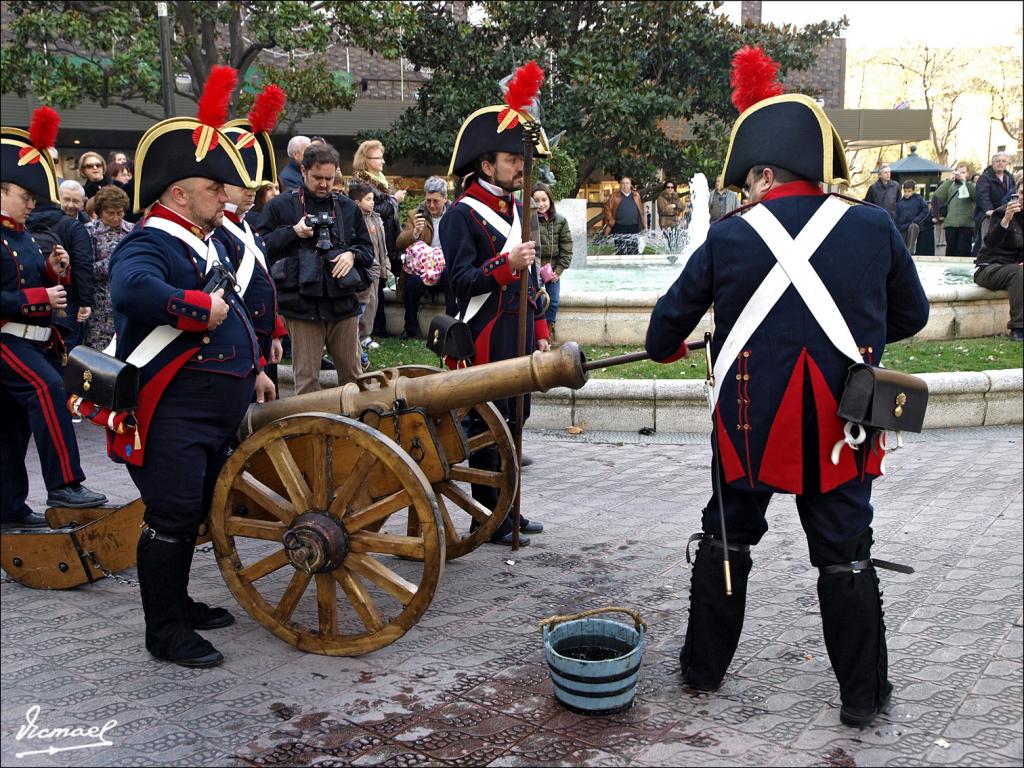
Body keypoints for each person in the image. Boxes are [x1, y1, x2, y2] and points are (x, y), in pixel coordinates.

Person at [646, 50, 930, 729]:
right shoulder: (872, 224)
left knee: (728, 538)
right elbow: (913, 315)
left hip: (749, 421)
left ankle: (703, 669)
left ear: (767, 173)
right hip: (844, 421)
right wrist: (857, 337)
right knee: (845, 554)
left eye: (749, 180)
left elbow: (661, 335)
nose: (745, 193)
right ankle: (862, 697)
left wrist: (686, 342)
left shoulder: (728, 236)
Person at [108, 66, 275, 668]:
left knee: (195, 511)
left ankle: (178, 604)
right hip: (171, 412)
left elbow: (244, 312)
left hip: (211, 412)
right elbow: (131, 291)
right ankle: (164, 631)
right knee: (173, 517)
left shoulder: (208, 241)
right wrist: (198, 309)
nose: (225, 195)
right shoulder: (149, 241)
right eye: (213, 186)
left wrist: (255, 365)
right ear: (178, 193)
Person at [441, 72, 552, 546]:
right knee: (491, 427)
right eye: (512, 160)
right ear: (487, 165)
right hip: (484, 333)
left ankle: (509, 509)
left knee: (516, 419)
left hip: (519, 332)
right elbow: (460, 283)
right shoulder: (460, 214)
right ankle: (487, 518)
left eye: (522, 160)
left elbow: (532, 280)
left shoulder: (516, 210)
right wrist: (506, 266)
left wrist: (541, 328)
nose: (520, 167)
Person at [2, 107, 108, 530]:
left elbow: (30, 277)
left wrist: (54, 270)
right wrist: (39, 295)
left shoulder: (23, 234)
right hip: (6, 338)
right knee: (47, 389)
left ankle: (8, 508)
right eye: (24, 196)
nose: (31, 203)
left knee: (11, 427)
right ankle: (64, 484)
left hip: (31, 338)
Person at [259, 141, 374, 393]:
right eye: (317, 178)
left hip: (342, 303)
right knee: (307, 382)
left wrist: (351, 255)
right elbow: (261, 247)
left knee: (354, 378)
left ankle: (355, 419)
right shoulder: (280, 206)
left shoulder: (347, 207)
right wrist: (293, 232)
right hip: (301, 306)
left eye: (329, 179)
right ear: (303, 171)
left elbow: (368, 250)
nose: (324, 184)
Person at [27, 173, 95, 355]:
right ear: (58, 199)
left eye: (76, 201)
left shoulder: (27, 220)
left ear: (83, 203)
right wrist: (85, 301)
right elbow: (83, 264)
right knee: (66, 353)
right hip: (66, 301)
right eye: (67, 199)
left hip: (34, 298)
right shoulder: (75, 228)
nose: (71, 205)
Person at [351, 139, 406, 339]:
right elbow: (377, 210)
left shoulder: (380, 179)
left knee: (382, 283)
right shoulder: (360, 182)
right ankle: (373, 330)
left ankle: (377, 328)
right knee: (374, 285)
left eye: (382, 157)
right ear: (366, 160)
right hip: (372, 236)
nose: (382, 161)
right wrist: (394, 200)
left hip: (387, 237)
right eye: (378, 158)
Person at [394, 175, 452, 339]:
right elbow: (399, 243)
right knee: (412, 283)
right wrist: (415, 232)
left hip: (445, 267)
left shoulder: (454, 214)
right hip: (423, 268)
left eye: (436, 201)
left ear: (445, 198)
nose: (431, 205)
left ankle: (450, 326)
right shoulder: (416, 214)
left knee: (451, 276)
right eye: (428, 201)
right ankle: (410, 328)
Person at [84, 184, 132, 350]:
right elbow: (86, 268)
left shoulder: (132, 230)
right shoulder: (90, 232)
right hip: (101, 305)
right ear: (100, 211)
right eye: (110, 213)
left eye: (120, 213)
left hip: (127, 302)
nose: (116, 218)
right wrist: (115, 263)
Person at [974, 177, 1023, 342]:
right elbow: (990, 243)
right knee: (1018, 272)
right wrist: (1006, 219)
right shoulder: (1002, 212)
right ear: (1016, 193)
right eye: (1022, 193)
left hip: (1014, 269)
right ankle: (1018, 328)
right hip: (989, 268)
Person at [347, 181, 387, 367]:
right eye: (368, 199)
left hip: (376, 268)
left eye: (372, 199)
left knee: (373, 303)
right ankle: (359, 337)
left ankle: (365, 335)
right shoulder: (354, 221)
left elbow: (381, 245)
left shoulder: (376, 218)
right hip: (364, 270)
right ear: (357, 202)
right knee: (363, 304)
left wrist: (385, 265)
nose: (372, 202)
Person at [533, 182, 573, 338]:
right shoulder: (528, 220)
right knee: (537, 301)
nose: (541, 204)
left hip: (553, 270)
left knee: (554, 301)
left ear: (550, 200)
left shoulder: (560, 221)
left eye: (544, 200)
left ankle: (547, 332)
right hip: (534, 269)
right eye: (536, 200)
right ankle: (536, 333)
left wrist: (559, 270)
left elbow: (567, 246)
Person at [973, 152, 1013, 257]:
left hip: (1005, 213)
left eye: (1003, 161)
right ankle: (984, 261)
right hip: (988, 215)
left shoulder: (1009, 178)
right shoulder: (984, 177)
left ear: (1007, 163)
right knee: (987, 241)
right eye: (998, 161)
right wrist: (989, 209)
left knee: (1003, 241)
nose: (1000, 163)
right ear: (993, 163)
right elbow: (982, 195)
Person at [932, 164, 976, 257]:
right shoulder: (950, 185)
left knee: (964, 250)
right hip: (951, 223)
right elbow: (938, 195)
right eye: (958, 172)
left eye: (963, 172)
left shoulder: (971, 185)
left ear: (967, 174)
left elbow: (976, 196)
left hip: (966, 223)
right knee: (951, 250)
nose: (960, 174)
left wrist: (965, 182)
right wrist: (950, 180)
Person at [602, 176, 645, 254]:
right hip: (619, 227)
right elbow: (607, 209)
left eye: (627, 183)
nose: (625, 185)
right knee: (620, 252)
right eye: (623, 183)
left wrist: (644, 224)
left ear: (630, 185)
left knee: (633, 252)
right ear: (620, 185)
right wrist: (611, 221)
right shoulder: (614, 196)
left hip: (633, 227)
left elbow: (640, 211)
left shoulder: (636, 195)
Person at [893, 180, 929, 254]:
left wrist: (917, 219)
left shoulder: (918, 199)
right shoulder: (900, 203)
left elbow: (925, 210)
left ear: (913, 191)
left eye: (909, 191)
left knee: (913, 227)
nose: (907, 193)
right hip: (902, 226)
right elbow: (896, 216)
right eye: (905, 191)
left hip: (913, 224)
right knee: (900, 245)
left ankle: (911, 250)